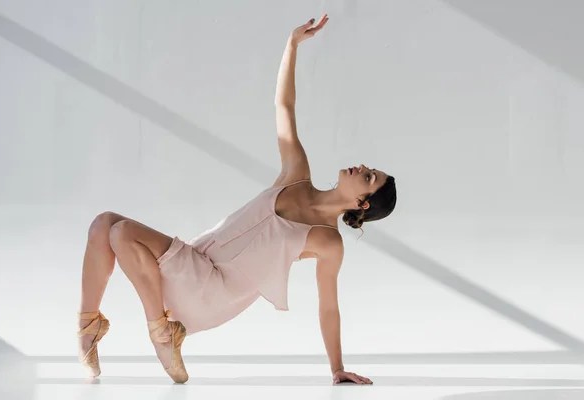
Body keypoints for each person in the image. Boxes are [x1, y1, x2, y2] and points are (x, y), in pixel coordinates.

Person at [76, 14, 397, 385]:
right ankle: (90, 329)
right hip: (195, 259)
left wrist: (336, 368)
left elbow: (328, 306)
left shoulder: (328, 241)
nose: (361, 167)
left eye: (369, 177)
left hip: (212, 292)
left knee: (122, 234)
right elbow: (285, 108)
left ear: (363, 205)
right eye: (369, 168)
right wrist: (291, 46)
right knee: (104, 224)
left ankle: (163, 332)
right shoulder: (296, 175)